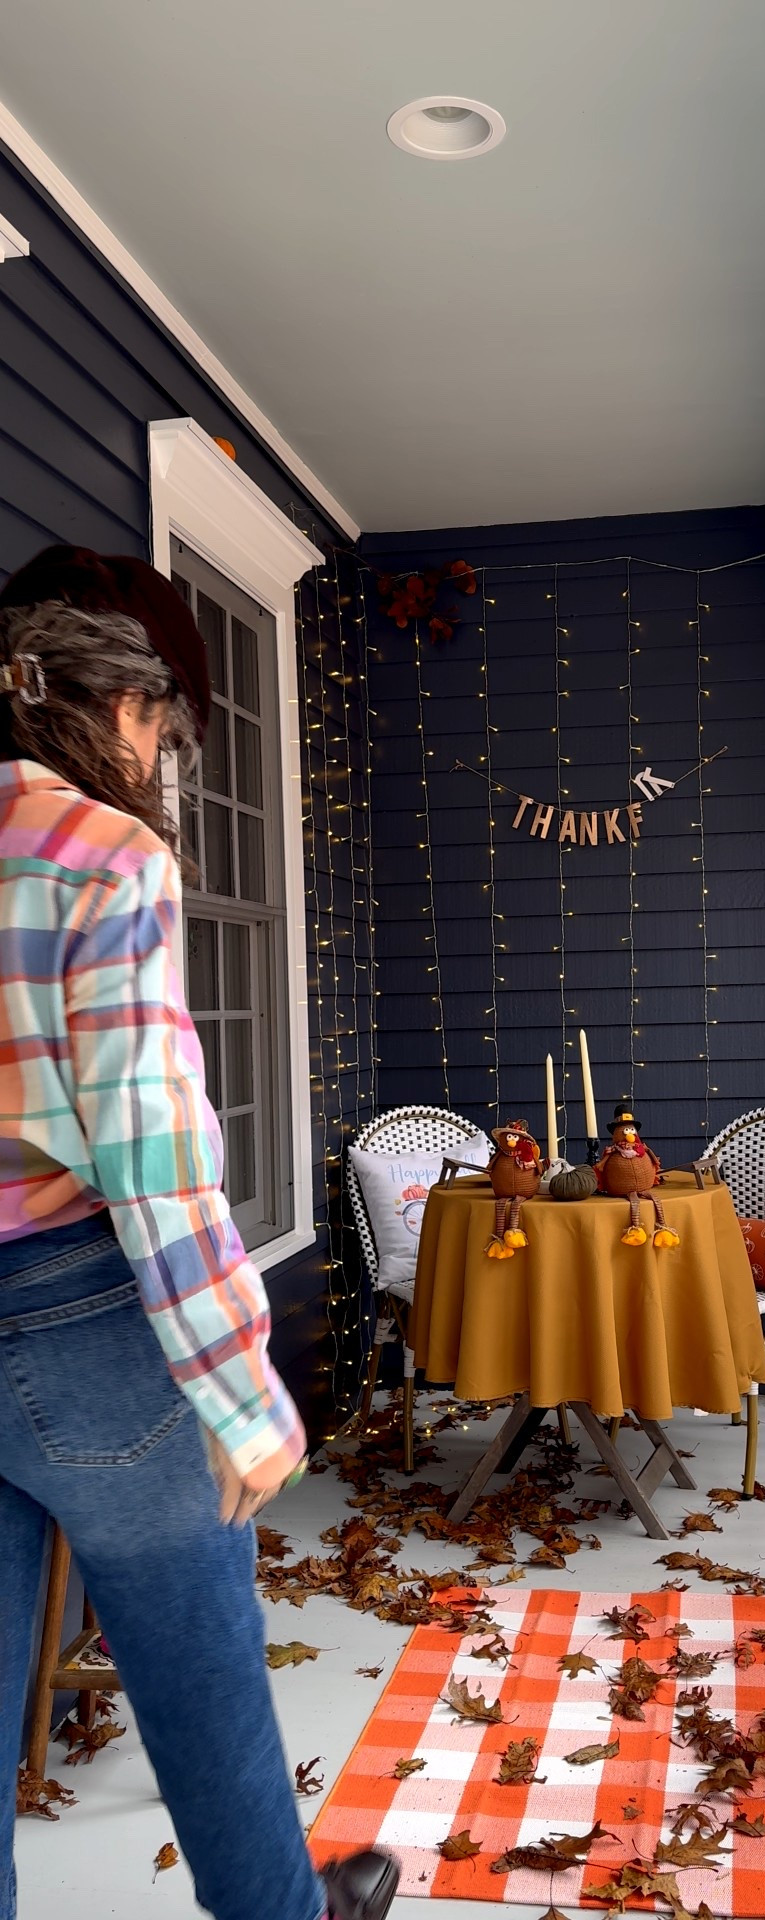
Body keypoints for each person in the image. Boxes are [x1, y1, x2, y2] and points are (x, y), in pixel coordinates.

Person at [0, 546, 398, 1920]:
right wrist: (242, 1391)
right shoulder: (98, 854)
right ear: (126, 707)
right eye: (168, 734)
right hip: (89, 1324)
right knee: (204, 1689)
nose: (162, 761)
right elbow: (154, 1157)